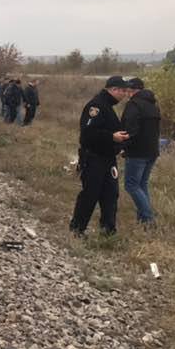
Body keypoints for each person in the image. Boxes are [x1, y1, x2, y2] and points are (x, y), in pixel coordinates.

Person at [69, 76, 130, 236]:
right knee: (90, 193)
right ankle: (77, 228)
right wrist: (112, 137)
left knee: (110, 194)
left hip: (108, 158)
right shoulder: (96, 106)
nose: (125, 94)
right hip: (93, 157)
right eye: (123, 90)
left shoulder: (108, 106)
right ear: (113, 89)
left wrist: (120, 145)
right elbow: (88, 135)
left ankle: (108, 230)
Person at [121, 77, 161, 226]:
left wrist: (123, 146)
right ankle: (143, 220)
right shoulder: (153, 105)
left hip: (137, 152)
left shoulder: (134, 105)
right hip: (152, 151)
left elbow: (130, 130)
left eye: (128, 90)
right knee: (142, 184)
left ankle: (148, 218)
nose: (127, 93)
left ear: (133, 90)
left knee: (131, 185)